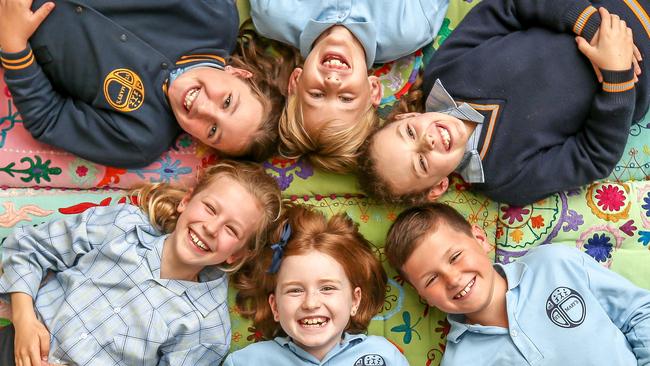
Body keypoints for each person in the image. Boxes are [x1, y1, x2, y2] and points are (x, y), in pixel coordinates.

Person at [358, 0, 648, 206]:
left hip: (595, 8)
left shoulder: (444, 73)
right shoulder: (507, 180)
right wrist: (617, 76)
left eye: (409, 134)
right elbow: (594, 156)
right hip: (638, 68)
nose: (428, 141)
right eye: (421, 163)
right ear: (437, 187)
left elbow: (508, 7)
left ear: (404, 118)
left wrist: (589, 24)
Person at [0, 160, 282, 366]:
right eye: (209, 208)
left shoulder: (206, 328)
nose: (211, 228)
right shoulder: (122, 225)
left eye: (231, 230)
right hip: (17, 341)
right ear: (186, 201)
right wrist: (25, 319)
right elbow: (28, 247)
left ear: (236, 254)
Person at [0, 0, 293, 168]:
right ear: (239, 75)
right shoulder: (214, 15)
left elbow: (50, 118)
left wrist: (13, 44)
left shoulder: (139, 139)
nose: (203, 108)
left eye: (213, 130)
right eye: (227, 101)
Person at [384, 202, 650, 365]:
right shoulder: (459, 361)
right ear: (423, 297)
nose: (452, 279)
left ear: (480, 239)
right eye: (431, 279)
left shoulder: (555, 264)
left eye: (455, 257)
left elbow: (639, 314)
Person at [249, 0, 449, 173]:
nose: (333, 82)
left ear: (295, 82)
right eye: (346, 98)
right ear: (373, 90)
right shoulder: (409, 29)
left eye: (317, 94)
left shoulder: (273, 15)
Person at [223, 205, 408, 365]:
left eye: (327, 288)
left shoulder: (384, 355)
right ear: (275, 307)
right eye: (295, 290)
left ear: (354, 300)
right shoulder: (245, 361)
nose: (311, 303)